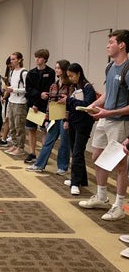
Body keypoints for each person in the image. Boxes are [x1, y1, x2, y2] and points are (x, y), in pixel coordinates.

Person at [79, 29, 129, 222]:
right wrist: (91, 106)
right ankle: (101, 197)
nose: (107, 45)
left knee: (119, 165)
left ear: (122, 44)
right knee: (97, 157)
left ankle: (119, 205)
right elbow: (108, 95)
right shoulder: (110, 67)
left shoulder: (127, 68)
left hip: (120, 122)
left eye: (111, 42)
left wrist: (109, 112)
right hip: (104, 119)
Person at [26, 59, 71, 174]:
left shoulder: (70, 85)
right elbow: (50, 103)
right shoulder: (54, 85)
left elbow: (70, 103)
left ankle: (63, 166)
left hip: (64, 115)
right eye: (56, 68)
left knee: (64, 143)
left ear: (64, 70)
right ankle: (39, 164)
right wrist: (46, 118)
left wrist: (67, 119)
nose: (56, 70)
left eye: (59, 68)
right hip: (54, 115)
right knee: (48, 141)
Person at [62, 63, 97, 195]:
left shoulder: (88, 88)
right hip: (73, 122)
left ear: (79, 74)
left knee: (77, 152)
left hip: (84, 124)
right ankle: (82, 179)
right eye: (69, 76)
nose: (71, 79)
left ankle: (75, 182)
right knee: (76, 151)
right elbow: (70, 107)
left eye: (72, 76)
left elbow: (88, 105)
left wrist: (70, 101)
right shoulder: (73, 87)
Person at [24, 49, 55, 164]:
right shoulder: (31, 73)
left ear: (45, 59)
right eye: (36, 57)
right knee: (31, 129)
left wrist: (40, 100)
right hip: (32, 106)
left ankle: (43, 154)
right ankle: (32, 153)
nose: (37, 59)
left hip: (44, 106)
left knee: (44, 130)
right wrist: (34, 103)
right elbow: (29, 90)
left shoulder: (51, 72)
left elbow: (48, 90)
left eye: (40, 57)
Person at [4, 52, 28, 156]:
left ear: (19, 60)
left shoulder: (24, 73)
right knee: (12, 125)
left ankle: (20, 147)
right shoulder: (12, 72)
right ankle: (14, 144)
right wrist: (7, 89)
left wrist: (14, 90)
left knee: (19, 126)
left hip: (20, 102)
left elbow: (27, 89)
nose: (11, 61)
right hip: (11, 100)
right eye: (11, 59)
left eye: (13, 59)